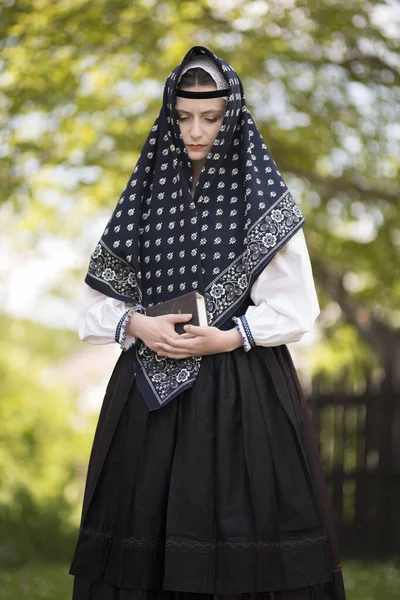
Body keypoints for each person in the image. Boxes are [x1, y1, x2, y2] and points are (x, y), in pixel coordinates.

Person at [69, 46, 346, 600]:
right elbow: (92, 309)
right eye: (184, 116)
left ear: (232, 117)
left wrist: (230, 336)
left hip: (241, 395)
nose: (196, 130)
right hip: (148, 401)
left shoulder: (263, 200)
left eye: (211, 118)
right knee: (143, 539)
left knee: (242, 524)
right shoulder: (146, 199)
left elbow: (297, 308)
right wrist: (137, 325)